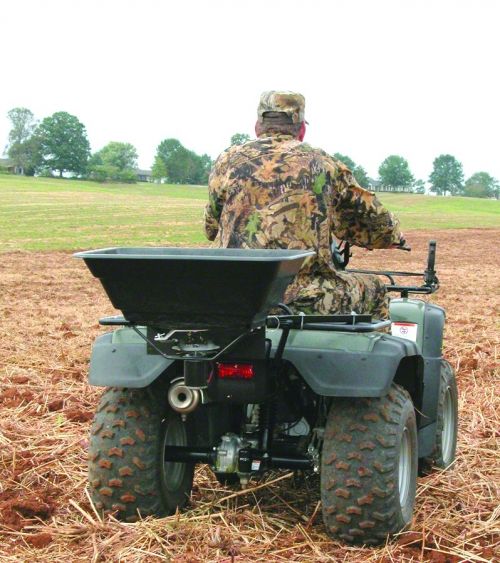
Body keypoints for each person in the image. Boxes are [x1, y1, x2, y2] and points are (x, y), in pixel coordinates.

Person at [204, 91, 404, 319]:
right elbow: (377, 225)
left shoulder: (227, 161)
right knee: (376, 288)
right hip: (304, 299)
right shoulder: (324, 164)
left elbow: (210, 228)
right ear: (301, 130)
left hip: (236, 296)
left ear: (257, 126)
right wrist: (393, 238)